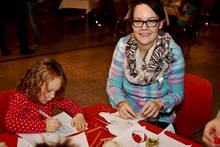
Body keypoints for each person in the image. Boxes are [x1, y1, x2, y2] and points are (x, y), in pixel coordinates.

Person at [106, 0, 185, 129]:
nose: (144, 27)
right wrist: (121, 102)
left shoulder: (173, 52)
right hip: (127, 117)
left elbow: (178, 93)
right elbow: (113, 83)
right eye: (138, 21)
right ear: (132, 24)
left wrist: (160, 103)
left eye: (151, 21)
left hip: (159, 120)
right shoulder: (122, 46)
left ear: (160, 24)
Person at [5, 58, 88, 133]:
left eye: (56, 91)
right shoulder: (21, 97)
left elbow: (68, 103)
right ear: (34, 84)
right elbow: (10, 123)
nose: (52, 96)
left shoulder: (50, 98)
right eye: (49, 90)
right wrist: (43, 126)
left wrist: (78, 114)